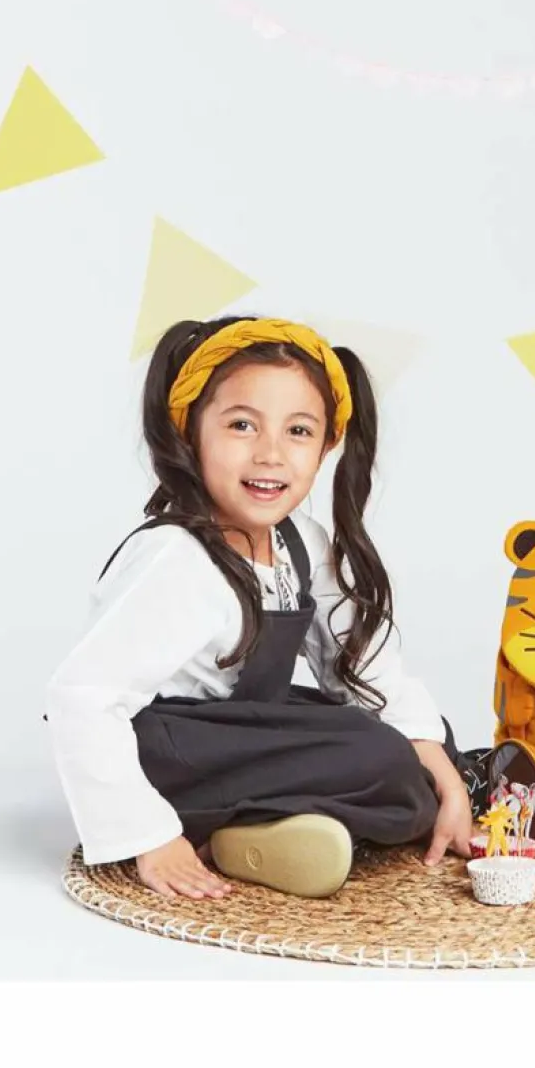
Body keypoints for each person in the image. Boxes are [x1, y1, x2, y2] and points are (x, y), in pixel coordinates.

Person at [45, 315, 474, 902]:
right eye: (242, 425)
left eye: (298, 431)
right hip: (172, 757)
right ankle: (225, 827)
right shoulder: (179, 557)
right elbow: (82, 696)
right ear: (190, 431)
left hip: (243, 741)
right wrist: (149, 836)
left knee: (421, 737)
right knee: (378, 755)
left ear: (326, 446)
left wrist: (431, 752)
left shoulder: (301, 541)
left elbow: (360, 661)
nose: (270, 454)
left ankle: (264, 830)